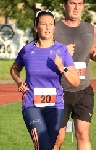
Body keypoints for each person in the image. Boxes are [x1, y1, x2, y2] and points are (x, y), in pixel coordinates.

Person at [10, 11, 80, 150]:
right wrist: (19, 82)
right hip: (31, 104)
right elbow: (14, 69)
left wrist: (62, 67)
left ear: (54, 27)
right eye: (43, 24)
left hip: (55, 106)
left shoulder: (61, 50)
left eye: (50, 24)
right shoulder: (27, 50)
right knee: (42, 145)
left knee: (49, 145)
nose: (47, 27)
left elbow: (76, 81)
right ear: (36, 27)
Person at [53, 0, 96, 150]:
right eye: (72, 3)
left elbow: (92, 52)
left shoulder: (91, 29)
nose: (76, 7)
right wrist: (61, 52)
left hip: (83, 90)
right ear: (64, 5)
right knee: (57, 138)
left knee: (83, 135)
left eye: (80, 3)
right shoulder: (53, 29)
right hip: (59, 90)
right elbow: (41, 54)